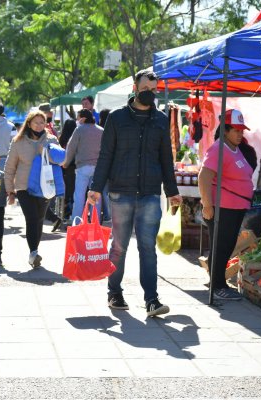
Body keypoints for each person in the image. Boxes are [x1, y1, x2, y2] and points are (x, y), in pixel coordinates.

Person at [87, 69, 182, 317]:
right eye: (146, 89)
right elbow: (106, 155)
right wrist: (95, 188)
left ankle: (151, 299)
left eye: (154, 90)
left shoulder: (161, 119)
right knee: (118, 246)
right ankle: (114, 292)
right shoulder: (117, 118)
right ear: (134, 87)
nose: (150, 94)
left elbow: (165, 158)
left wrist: (172, 191)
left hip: (150, 193)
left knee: (147, 247)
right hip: (120, 192)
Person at [199, 109, 255, 301]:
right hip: (222, 207)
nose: (240, 134)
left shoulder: (234, 148)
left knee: (226, 246)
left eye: (242, 131)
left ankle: (219, 284)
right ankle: (217, 287)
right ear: (225, 130)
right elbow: (204, 176)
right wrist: (207, 205)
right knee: (220, 247)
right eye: (236, 130)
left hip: (235, 208)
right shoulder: (218, 149)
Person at [5, 110, 60, 268]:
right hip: (24, 187)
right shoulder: (18, 141)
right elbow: (10, 167)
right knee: (32, 218)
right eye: (35, 122)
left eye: (42, 122)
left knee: (40, 219)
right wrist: (10, 190)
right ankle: (33, 252)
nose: (39, 125)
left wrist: (47, 153)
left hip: (45, 186)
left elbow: (60, 161)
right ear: (28, 123)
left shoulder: (51, 139)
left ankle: (34, 251)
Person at [62, 108, 104, 222]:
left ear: (83, 118)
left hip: (83, 167)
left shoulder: (79, 130)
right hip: (98, 168)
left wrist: (66, 162)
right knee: (96, 196)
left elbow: (71, 147)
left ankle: (76, 221)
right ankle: (96, 221)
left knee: (79, 196)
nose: (77, 120)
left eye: (78, 118)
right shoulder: (101, 130)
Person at [59, 119, 77, 220]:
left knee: (66, 191)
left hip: (64, 168)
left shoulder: (61, 138)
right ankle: (72, 211)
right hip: (75, 166)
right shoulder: (77, 137)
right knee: (75, 191)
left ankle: (65, 211)